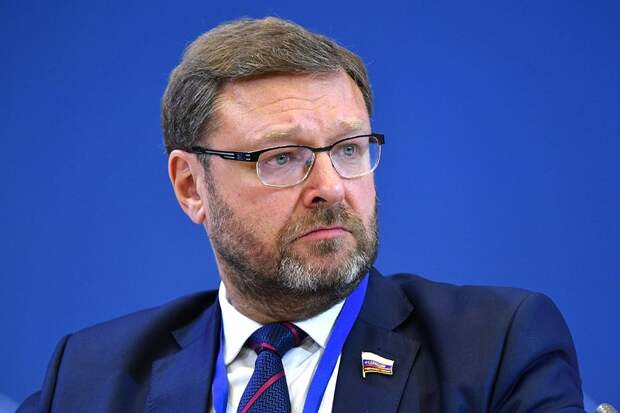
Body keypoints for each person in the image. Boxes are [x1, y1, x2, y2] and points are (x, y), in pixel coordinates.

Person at [18, 17, 584, 412]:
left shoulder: (496, 349)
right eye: (282, 157)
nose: (331, 187)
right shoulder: (89, 377)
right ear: (191, 187)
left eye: (349, 149)